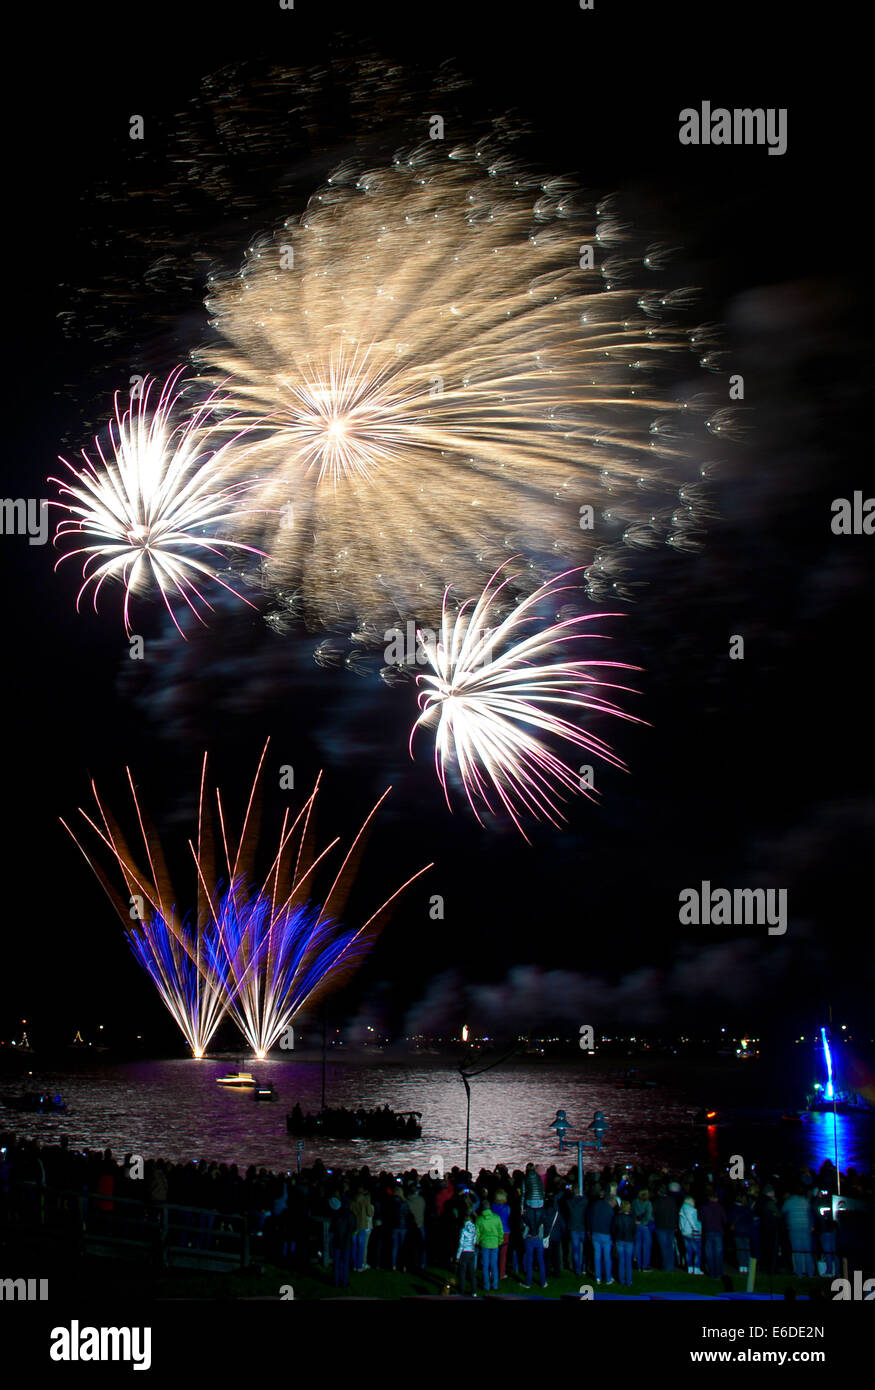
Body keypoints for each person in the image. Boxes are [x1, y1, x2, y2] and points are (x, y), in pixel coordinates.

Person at [782, 1188, 815, 1276]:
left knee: (797, 1252)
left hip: (794, 1229)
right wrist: (811, 1226)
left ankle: (799, 1273)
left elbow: (783, 1212)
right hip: (805, 1228)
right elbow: (810, 1214)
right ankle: (811, 1273)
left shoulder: (789, 1202)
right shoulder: (805, 1201)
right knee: (807, 1252)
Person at [586, 1186, 615, 1285]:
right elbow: (612, 1223)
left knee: (597, 1255)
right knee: (607, 1256)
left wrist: (589, 1230)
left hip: (595, 1233)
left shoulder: (594, 1205)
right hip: (606, 1234)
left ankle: (598, 1277)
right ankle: (608, 1278)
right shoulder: (609, 1209)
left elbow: (589, 1217)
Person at [476, 1199, 504, 1292]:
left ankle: (486, 1285)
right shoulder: (497, 1218)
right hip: (495, 1244)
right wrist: (500, 1241)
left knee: (485, 1265)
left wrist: (478, 1242)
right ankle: (495, 1285)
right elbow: (500, 1231)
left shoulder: (479, 1219)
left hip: (484, 1244)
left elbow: (477, 1233)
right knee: (494, 1265)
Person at [700, 1187, 726, 1278]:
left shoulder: (704, 1207)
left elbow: (701, 1219)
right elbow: (724, 1220)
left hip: (708, 1231)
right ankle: (718, 1273)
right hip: (718, 1231)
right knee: (718, 1254)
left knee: (709, 1253)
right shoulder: (720, 1207)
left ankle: (711, 1273)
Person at [521, 1205, 548, 1289]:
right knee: (541, 1261)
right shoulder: (542, 1212)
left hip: (529, 1239)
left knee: (529, 1261)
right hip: (538, 1239)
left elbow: (523, 1226)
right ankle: (543, 1282)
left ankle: (528, 1283)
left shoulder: (526, 1213)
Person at [652, 1184, 678, 1272]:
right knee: (670, 1246)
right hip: (671, 1226)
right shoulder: (672, 1200)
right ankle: (671, 1265)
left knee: (663, 1247)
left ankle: (666, 1266)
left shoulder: (657, 1202)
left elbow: (653, 1213)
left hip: (661, 1226)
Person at [455, 1200, 478, 1296]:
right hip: (471, 1252)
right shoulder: (474, 1228)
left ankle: (462, 1291)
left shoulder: (463, 1230)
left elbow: (461, 1244)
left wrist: (457, 1256)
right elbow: (475, 1240)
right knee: (472, 1273)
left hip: (464, 1252)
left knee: (463, 1273)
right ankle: (474, 1291)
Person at [612, 1199, 637, 1287]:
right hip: (629, 1241)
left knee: (621, 1261)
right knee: (628, 1262)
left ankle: (622, 1280)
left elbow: (614, 1229)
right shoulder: (631, 1218)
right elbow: (634, 1230)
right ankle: (629, 1281)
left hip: (620, 1240)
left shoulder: (617, 1217)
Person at [350, 1185, 374, 1272]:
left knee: (354, 1246)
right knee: (361, 1247)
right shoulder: (365, 1201)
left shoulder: (352, 1200)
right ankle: (359, 1265)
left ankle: (353, 1264)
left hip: (354, 1226)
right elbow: (370, 1213)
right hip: (362, 1226)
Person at [679, 1195, 702, 1274]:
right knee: (697, 1251)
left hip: (685, 1233)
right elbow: (692, 1221)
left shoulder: (682, 1209)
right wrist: (696, 1229)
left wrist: (682, 1229)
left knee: (689, 1251)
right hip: (692, 1232)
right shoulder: (692, 1210)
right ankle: (696, 1268)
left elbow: (680, 1223)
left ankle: (690, 1268)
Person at [492, 1188, 512, 1280]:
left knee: (494, 1252)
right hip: (505, 1231)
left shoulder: (493, 1207)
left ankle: (492, 1271)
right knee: (503, 1254)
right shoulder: (507, 1208)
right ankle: (501, 1273)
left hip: (494, 1231)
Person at [632, 1187, 653, 1271]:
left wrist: (636, 1221)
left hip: (636, 1225)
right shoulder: (648, 1203)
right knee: (646, 1246)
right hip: (645, 1226)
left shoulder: (634, 1202)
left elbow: (632, 1212)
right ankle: (645, 1265)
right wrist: (643, 1222)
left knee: (638, 1245)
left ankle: (638, 1264)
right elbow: (648, 1216)